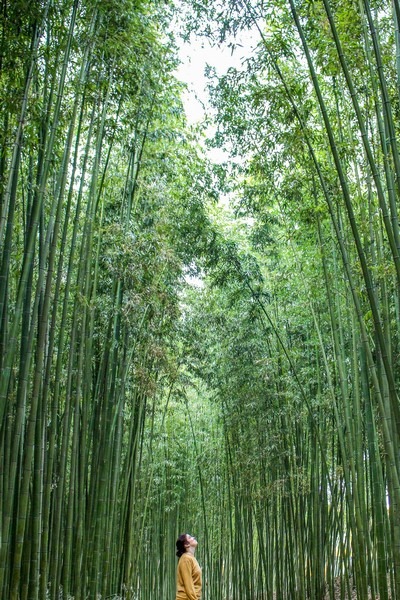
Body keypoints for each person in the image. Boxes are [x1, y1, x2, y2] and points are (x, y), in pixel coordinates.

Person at [175, 533, 202, 600]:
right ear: (186, 545)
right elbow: (188, 584)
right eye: (190, 537)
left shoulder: (191, 558)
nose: (193, 537)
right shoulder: (185, 559)